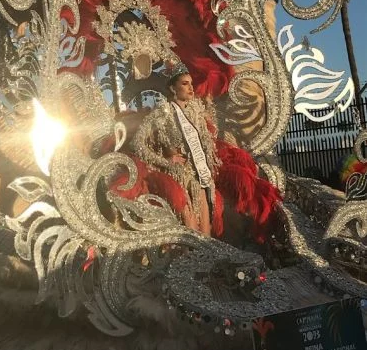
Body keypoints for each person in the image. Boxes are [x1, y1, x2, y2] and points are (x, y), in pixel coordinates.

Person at [114, 63, 281, 242]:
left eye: (191, 83)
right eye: (185, 84)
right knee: (189, 232)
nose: (190, 88)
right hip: (178, 179)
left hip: (200, 178)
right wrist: (166, 161)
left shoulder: (196, 113)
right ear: (173, 88)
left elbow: (207, 144)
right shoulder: (162, 114)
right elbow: (138, 144)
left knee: (206, 234)